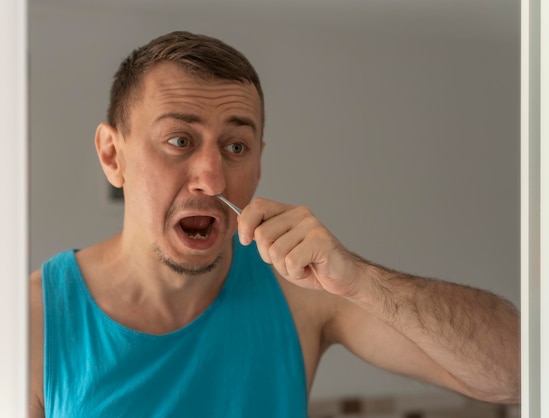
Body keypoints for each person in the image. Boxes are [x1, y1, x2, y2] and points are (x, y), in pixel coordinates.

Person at [28, 31, 520, 417]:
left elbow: (516, 375)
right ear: (113, 156)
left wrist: (361, 281)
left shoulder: (302, 291)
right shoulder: (32, 319)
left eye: (235, 147)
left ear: (258, 162)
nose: (212, 176)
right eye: (179, 141)